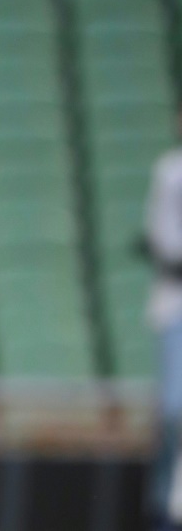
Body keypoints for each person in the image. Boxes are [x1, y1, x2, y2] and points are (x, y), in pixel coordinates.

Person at [144, 102, 182, 531]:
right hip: (176, 308)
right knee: (173, 412)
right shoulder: (171, 171)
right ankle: (162, 514)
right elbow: (166, 244)